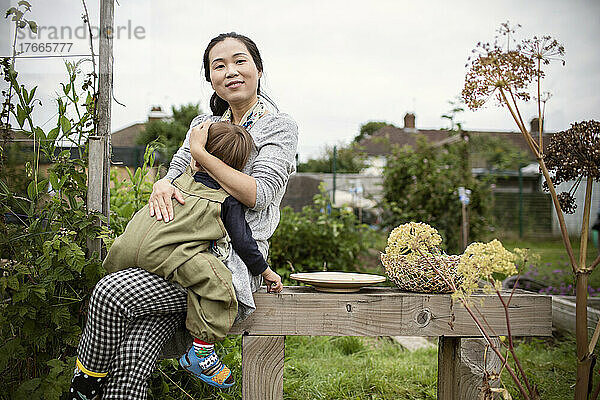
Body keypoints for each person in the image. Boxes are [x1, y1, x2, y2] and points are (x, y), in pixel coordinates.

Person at [72, 32, 298, 400]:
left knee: (112, 292)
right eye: (218, 65)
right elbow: (176, 171)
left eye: (240, 61)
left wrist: (202, 154)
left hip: (225, 263)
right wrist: (162, 183)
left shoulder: (278, 125)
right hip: (175, 245)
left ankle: (79, 386)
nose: (231, 71)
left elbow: (260, 194)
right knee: (132, 359)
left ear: (258, 68)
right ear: (210, 77)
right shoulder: (204, 121)